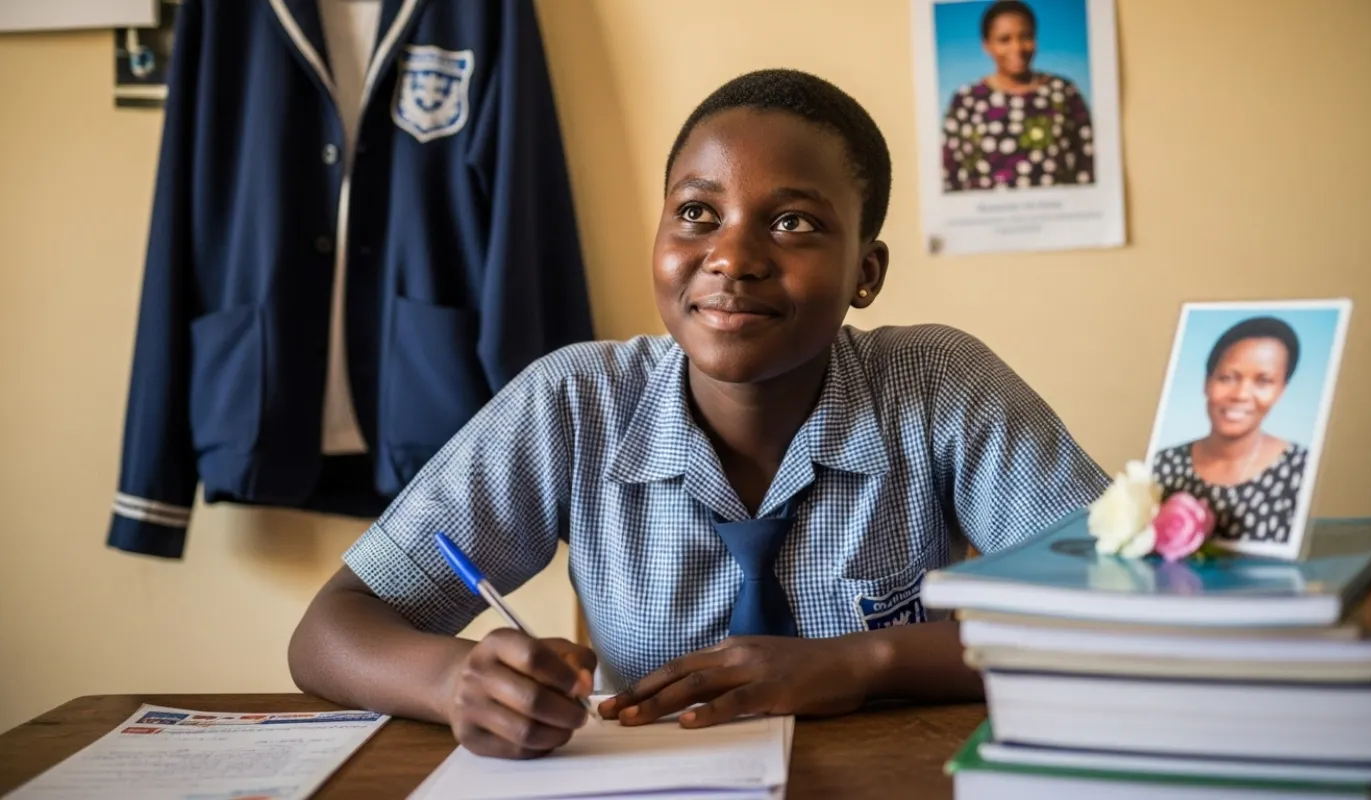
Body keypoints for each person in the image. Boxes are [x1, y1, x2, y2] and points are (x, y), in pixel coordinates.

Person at [287, 67, 1107, 760]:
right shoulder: (574, 403)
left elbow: (1121, 612)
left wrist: (865, 661)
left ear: (866, 271)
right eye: (696, 213)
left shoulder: (934, 383)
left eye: (792, 223)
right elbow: (329, 632)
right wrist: (454, 679)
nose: (731, 257)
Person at [1153, 317, 1309, 544]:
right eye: (1227, 378)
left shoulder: (1300, 469)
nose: (1241, 394)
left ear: (1281, 391)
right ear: (1207, 382)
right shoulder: (1163, 465)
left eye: (1263, 381)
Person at [940, 0, 1095, 192]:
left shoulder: (1063, 92)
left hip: (1057, 216)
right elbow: (949, 173)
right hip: (985, 218)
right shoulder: (966, 100)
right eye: (1004, 39)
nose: (1017, 48)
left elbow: (1089, 162)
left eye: (1025, 37)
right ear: (987, 45)